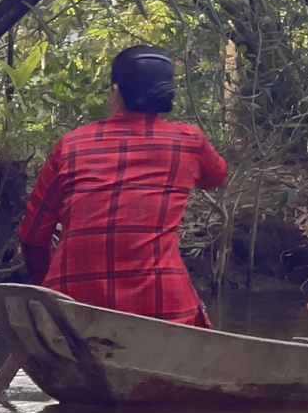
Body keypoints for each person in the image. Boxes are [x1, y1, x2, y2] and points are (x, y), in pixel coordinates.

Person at [18, 47, 229, 326]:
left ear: (116, 92)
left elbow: (32, 236)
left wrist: (47, 289)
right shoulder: (188, 141)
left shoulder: (71, 145)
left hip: (70, 308)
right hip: (162, 308)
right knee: (193, 316)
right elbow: (215, 177)